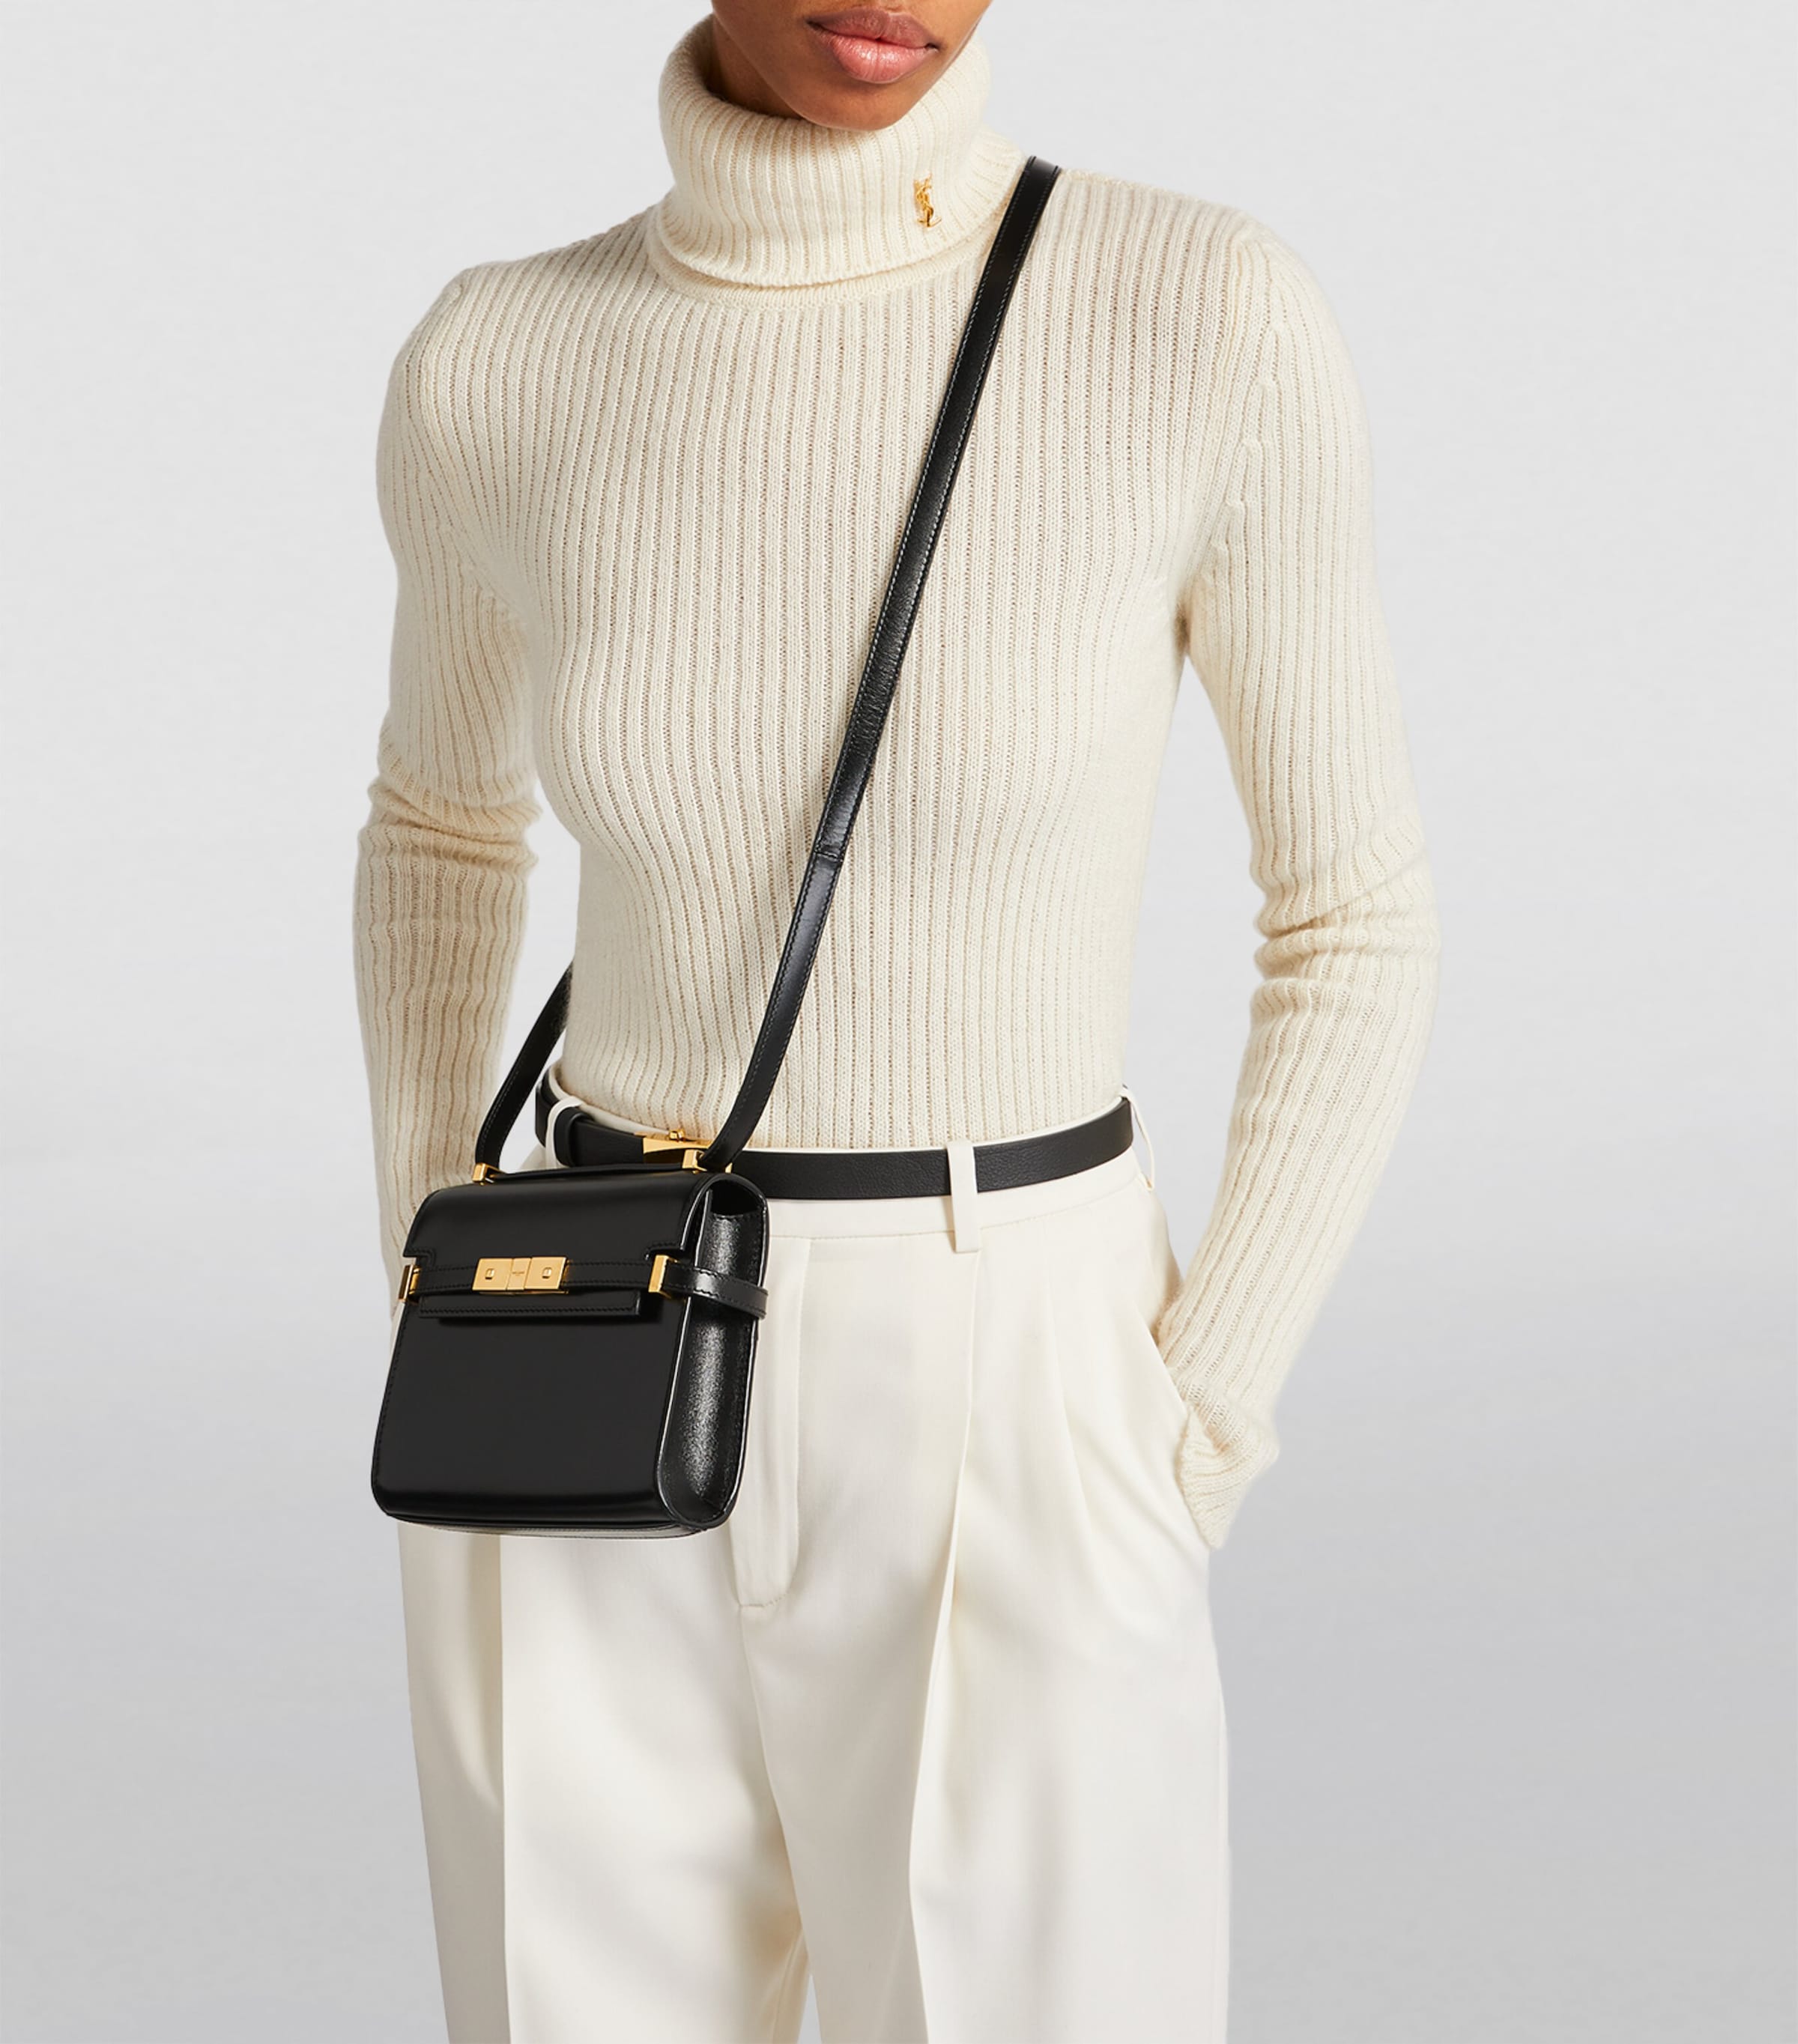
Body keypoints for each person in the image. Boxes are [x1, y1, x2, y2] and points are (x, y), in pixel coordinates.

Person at [352, 2, 1441, 2037]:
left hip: (1011, 1348)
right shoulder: (501, 359)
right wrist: (431, 1251)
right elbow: (440, 826)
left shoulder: (1194, 315)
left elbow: (1352, 913)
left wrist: (1193, 1419)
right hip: (583, 1337)